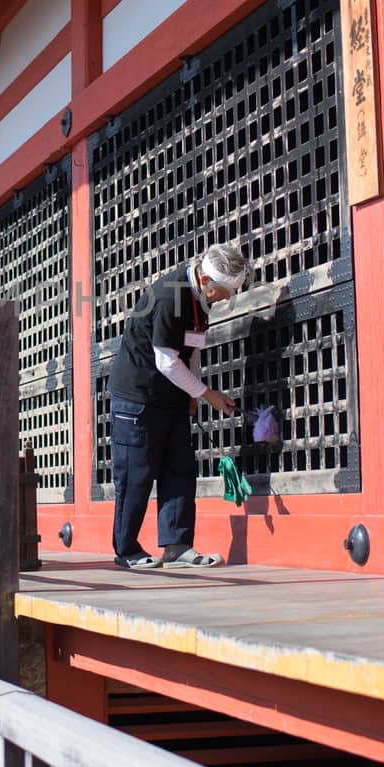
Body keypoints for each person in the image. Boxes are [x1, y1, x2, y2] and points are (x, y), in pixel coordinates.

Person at [106, 242, 252, 570]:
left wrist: (191, 395)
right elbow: (166, 361)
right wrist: (206, 393)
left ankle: (177, 545)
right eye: (224, 292)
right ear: (204, 281)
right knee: (136, 474)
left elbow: (192, 350)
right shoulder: (170, 296)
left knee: (179, 469)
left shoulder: (200, 302)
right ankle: (126, 549)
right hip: (137, 398)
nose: (227, 299)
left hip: (171, 397)